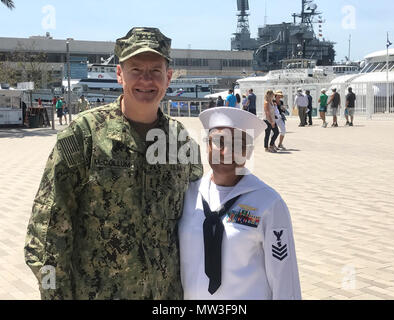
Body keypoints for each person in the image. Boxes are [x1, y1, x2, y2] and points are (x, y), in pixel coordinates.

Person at [24, 27, 203, 300]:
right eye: (135, 70)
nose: (146, 79)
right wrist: (54, 295)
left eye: (155, 70)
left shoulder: (181, 143)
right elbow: (46, 233)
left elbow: (198, 218)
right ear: (120, 74)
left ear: (168, 77)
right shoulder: (84, 135)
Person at [179, 107, 302, 299]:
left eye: (239, 144)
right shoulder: (188, 195)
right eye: (219, 142)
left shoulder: (268, 203)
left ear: (249, 152)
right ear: (208, 146)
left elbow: (284, 277)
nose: (227, 151)